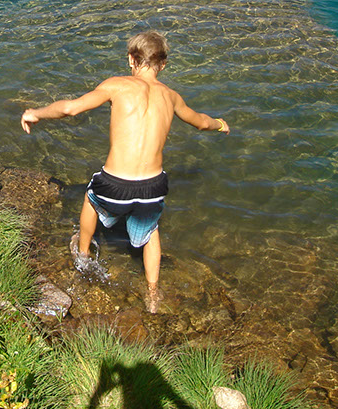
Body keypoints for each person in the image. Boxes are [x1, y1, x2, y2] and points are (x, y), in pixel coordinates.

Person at [20, 31, 229, 312]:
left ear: (131, 59)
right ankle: (153, 294)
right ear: (163, 64)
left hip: (114, 185)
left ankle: (83, 256)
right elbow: (202, 122)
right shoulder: (171, 96)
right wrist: (220, 124)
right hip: (153, 188)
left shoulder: (116, 85)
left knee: (91, 198)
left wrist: (35, 112)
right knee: (151, 231)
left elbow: (70, 109)